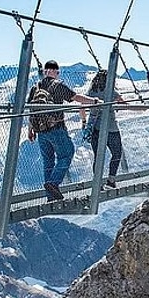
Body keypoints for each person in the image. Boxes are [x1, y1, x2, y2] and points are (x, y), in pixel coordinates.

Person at [27, 59, 100, 201]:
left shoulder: (35, 88)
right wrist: (95, 101)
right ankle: (53, 184)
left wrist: (30, 129)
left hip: (40, 131)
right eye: (57, 72)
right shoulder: (58, 86)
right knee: (67, 154)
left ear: (44, 71)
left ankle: (51, 196)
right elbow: (76, 97)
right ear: (55, 71)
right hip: (56, 128)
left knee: (48, 161)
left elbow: (31, 109)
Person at [80, 70, 124, 189]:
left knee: (98, 156)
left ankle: (98, 182)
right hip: (111, 129)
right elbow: (123, 103)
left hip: (95, 129)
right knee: (117, 153)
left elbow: (82, 106)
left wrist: (84, 121)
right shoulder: (111, 92)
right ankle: (111, 179)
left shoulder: (91, 92)